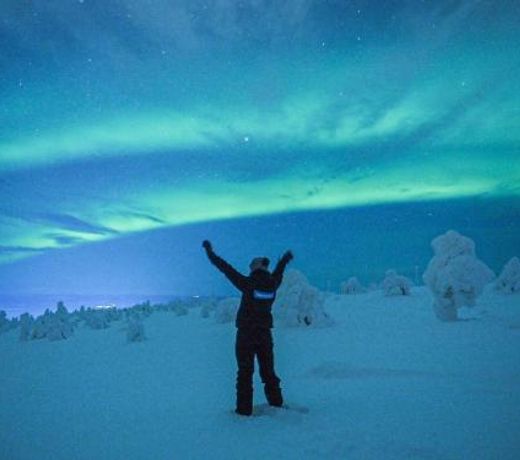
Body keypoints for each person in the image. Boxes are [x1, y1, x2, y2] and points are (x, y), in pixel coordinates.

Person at [202, 240, 294, 416]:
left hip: (246, 335)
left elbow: (224, 268)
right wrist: (284, 260)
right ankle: (276, 405)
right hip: (265, 335)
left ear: (253, 268)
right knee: (268, 372)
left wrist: (210, 253)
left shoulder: (247, 283)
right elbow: (280, 271)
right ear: (265, 268)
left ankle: (244, 412)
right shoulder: (273, 283)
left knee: (245, 373)